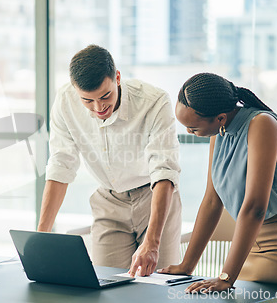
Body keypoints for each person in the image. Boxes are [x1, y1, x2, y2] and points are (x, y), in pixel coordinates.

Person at [37, 44, 182, 276]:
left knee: (156, 285)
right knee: (106, 284)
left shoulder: (154, 101)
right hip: (108, 199)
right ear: (76, 91)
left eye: (105, 96)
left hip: (154, 197)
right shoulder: (65, 101)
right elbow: (60, 166)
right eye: (87, 101)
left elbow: (164, 171)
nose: (99, 107)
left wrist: (152, 243)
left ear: (117, 77)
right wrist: (41, 236)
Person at [160, 72, 277, 291]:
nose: (189, 132)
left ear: (220, 117)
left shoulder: (262, 124)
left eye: (194, 128)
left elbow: (255, 207)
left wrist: (226, 277)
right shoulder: (220, 131)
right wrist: (186, 265)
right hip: (249, 249)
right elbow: (211, 202)